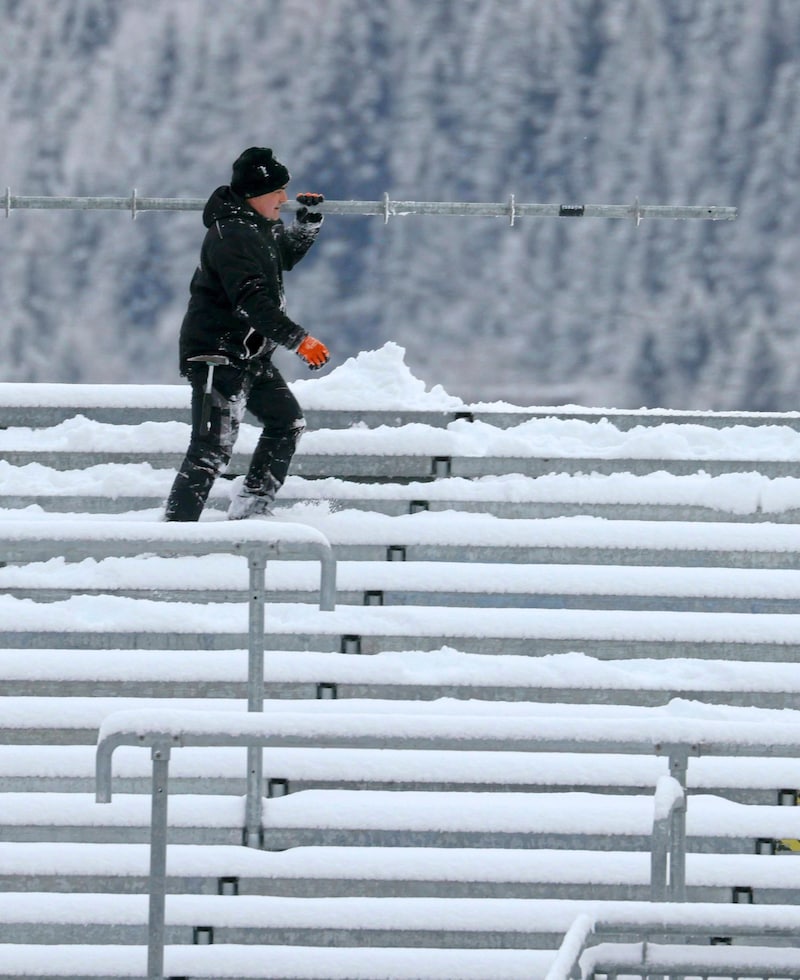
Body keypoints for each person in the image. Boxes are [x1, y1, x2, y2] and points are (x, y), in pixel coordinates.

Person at [164, 146, 329, 522]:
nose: (285, 200)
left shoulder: (256, 225)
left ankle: (252, 509)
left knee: (287, 423)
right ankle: (174, 532)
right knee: (211, 448)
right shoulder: (231, 235)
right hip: (217, 356)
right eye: (278, 193)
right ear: (255, 194)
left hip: (249, 354)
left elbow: (281, 257)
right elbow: (250, 300)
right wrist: (299, 339)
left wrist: (306, 226)